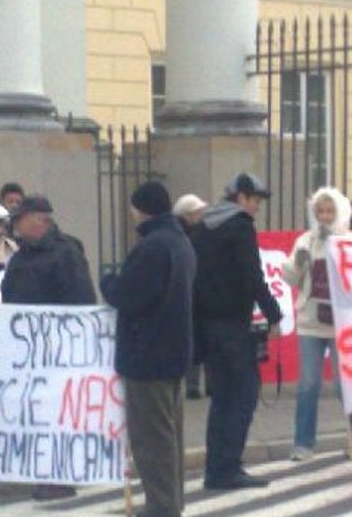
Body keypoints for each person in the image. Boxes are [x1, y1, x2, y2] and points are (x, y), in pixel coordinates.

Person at [100, 181, 196, 517]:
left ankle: (161, 507)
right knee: (169, 438)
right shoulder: (180, 241)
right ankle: (171, 503)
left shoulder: (152, 246)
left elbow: (130, 296)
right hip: (174, 351)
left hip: (148, 355)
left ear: (141, 209)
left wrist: (108, 282)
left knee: (152, 441)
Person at [0, 195, 96, 501]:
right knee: (36, 415)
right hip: (27, 349)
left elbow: (81, 301)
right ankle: (43, 471)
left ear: (39, 220)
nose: (15, 225)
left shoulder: (65, 252)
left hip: (56, 350)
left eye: (20, 219)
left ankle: (60, 475)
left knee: (57, 415)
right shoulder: (21, 255)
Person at [192, 173, 282, 490]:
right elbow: (251, 276)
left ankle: (215, 468)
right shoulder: (240, 226)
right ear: (240, 198)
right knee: (243, 396)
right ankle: (229, 467)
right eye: (255, 200)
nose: (256, 207)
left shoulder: (203, 226)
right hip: (233, 325)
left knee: (221, 400)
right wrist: (273, 313)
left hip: (208, 325)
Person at [284, 187, 352, 462]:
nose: (325, 217)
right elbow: (290, 278)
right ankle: (303, 444)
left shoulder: (351, 240)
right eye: (320, 211)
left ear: (339, 212)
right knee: (308, 384)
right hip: (311, 323)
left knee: (346, 385)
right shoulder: (305, 241)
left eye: (329, 211)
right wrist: (299, 264)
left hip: (342, 324)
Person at [173, 194, 209, 399]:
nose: (200, 214)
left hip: (194, 291)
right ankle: (194, 384)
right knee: (197, 338)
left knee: (197, 338)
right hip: (195, 291)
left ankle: (194, 384)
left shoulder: (189, 234)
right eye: (197, 212)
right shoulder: (193, 235)